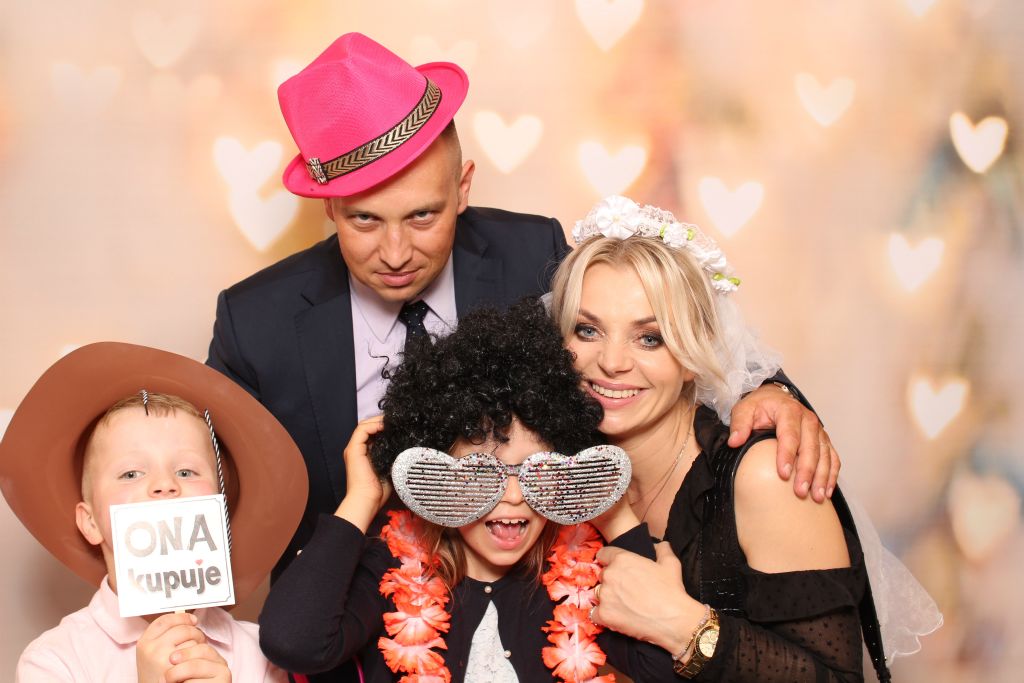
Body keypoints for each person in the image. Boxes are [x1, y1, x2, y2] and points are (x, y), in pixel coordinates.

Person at [206, 32, 839, 584]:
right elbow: (198, 479)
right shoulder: (255, 322)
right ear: (329, 208)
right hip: (340, 634)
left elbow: (651, 330)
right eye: (365, 220)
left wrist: (766, 392)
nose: (395, 253)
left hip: (539, 610)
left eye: (422, 216)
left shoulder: (530, 254)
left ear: (463, 187)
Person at [547, 196, 932, 681]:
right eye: (587, 330)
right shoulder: (562, 467)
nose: (611, 362)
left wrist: (684, 628)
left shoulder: (762, 476)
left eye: (650, 338)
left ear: (693, 352)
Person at [258, 301, 679, 681]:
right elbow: (292, 643)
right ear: (439, 473)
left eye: (535, 470)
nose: (513, 495)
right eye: (481, 472)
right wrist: (361, 500)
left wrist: (615, 516)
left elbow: (663, 669)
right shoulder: (386, 569)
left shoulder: (583, 577)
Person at [0, 343, 308, 682]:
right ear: (90, 522)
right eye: (131, 473)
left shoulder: (263, 657)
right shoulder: (54, 661)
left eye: (187, 471)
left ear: (218, 513)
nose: (164, 484)